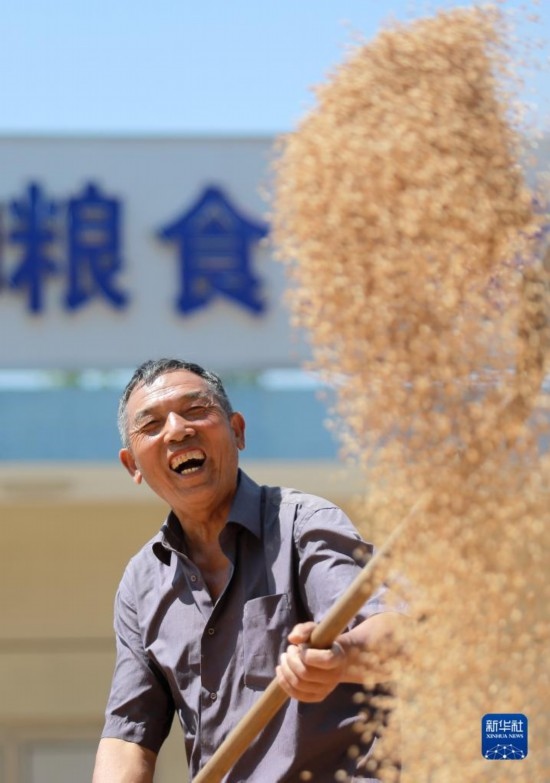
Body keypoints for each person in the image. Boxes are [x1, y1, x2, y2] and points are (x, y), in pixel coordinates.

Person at [92, 358, 404, 783]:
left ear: (237, 431)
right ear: (133, 466)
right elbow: (128, 739)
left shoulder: (302, 523)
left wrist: (341, 657)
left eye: (196, 410)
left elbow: (395, 635)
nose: (178, 430)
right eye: (152, 425)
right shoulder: (141, 582)